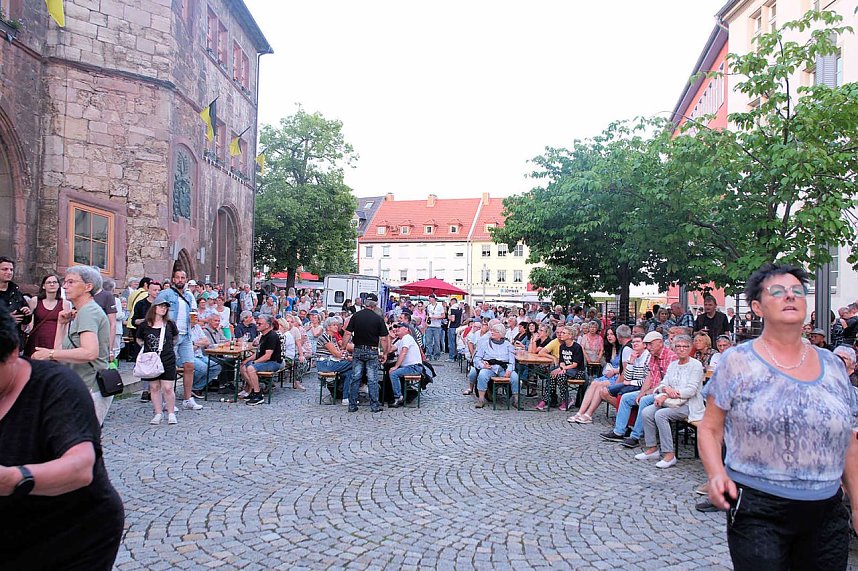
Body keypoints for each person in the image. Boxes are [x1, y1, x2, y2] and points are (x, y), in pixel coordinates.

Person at [699, 263, 858, 571]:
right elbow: (710, 428)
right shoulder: (737, 361)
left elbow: (848, 440)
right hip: (759, 508)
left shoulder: (834, 366)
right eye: (778, 291)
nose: (790, 296)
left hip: (826, 511)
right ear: (757, 307)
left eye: (797, 291)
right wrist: (716, 474)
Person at [0, 307, 124, 570]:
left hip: (74, 536)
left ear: (12, 353)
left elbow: (80, 467)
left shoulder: (57, 386)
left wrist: (14, 479)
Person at [30, 266, 112, 424]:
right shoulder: (81, 312)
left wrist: (49, 354)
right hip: (79, 386)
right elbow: (61, 354)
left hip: (90, 388)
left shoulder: (89, 312)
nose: (65, 286)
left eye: (71, 282)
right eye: (65, 282)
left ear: (88, 287)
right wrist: (61, 325)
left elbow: (89, 353)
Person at [635, 334, 705, 468]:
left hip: (690, 404)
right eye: (678, 346)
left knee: (661, 415)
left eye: (685, 346)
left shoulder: (696, 365)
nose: (681, 349)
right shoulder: (673, 365)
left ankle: (669, 454)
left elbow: (690, 391)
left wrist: (668, 394)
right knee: (647, 412)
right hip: (672, 402)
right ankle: (652, 449)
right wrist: (665, 390)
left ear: (690, 348)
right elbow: (663, 383)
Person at [160, 270, 203, 412]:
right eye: (177, 277)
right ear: (173, 279)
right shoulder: (166, 294)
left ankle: (187, 398)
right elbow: (156, 309)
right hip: (171, 336)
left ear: (186, 280)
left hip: (186, 335)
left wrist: (194, 320)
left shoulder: (189, 295)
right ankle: (167, 400)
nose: (180, 280)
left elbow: (194, 313)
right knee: (169, 367)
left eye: (182, 278)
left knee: (189, 366)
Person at [136, 293, 180, 425]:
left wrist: (168, 347)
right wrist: (148, 350)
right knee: (154, 387)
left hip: (167, 358)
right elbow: (139, 339)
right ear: (154, 308)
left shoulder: (170, 324)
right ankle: (158, 413)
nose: (163, 309)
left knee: (167, 387)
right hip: (151, 359)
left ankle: (171, 412)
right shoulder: (145, 325)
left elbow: (175, 338)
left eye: (165, 307)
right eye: (161, 306)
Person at [342, 293, 390, 413]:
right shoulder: (378, 318)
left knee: (355, 377)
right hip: (372, 350)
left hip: (358, 349)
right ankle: (374, 405)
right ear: (375, 305)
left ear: (365, 303)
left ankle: (352, 404)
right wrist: (385, 353)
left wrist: (343, 346)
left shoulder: (356, 316)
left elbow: (347, 333)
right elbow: (384, 338)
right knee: (372, 378)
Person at [537, 325, 584, 411]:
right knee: (552, 375)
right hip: (566, 368)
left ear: (570, 335)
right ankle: (545, 399)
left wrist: (563, 369)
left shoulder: (577, 347)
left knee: (560, 376)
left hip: (577, 371)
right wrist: (561, 368)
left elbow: (575, 364)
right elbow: (561, 361)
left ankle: (566, 399)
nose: (561, 334)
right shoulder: (562, 347)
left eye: (563, 333)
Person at [473, 323, 520, 409]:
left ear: (500, 334)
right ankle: (481, 399)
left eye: (495, 331)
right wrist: (483, 365)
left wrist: (509, 370)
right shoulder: (485, 343)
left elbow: (512, 361)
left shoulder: (508, 345)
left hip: (503, 368)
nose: (492, 333)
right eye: (492, 331)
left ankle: (516, 400)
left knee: (515, 377)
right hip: (490, 368)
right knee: (482, 375)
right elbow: (477, 358)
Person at [23, 274, 71, 357]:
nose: (52, 284)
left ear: (59, 285)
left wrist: (63, 343)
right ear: (44, 286)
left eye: (54, 282)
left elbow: (66, 326)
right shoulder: (35, 301)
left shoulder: (65, 304)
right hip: (36, 339)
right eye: (49, 282)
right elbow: (28, 319)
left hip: (54, 340)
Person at [239, 315, 282, 406]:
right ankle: (253, 389)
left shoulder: (272, 336)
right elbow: (258, 353)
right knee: (243, 366)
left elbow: (267, 356)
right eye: (257, 323)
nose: (257, 325)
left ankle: (258, 395)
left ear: (267, 325)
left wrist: (254, 363)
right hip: (266, 361)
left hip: (274, 362)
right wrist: (247, 360)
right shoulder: (263, 336)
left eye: (259, 324)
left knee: (251, 368)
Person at [316, 316, 353, 402]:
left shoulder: (332, 338)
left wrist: (347, 356)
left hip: (331, 362)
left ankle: (345, 397)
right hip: (325, 364)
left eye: (337, 325)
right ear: (328, 327)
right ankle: (359, 388)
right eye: (334, 325)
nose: (337, 327)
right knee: (355, 363)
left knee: (349, 372)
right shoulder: (325, 337)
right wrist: (349, 358)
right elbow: (336, 353)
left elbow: (340, 352)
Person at [191, 312, 227, 397]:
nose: (195, 319)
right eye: (215, 320)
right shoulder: (184, 329)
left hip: (199, 355)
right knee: (203, 367)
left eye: (196, 317)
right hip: (191, 356)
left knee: (217, 367)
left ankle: (196, 387)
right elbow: (188, 347)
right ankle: (189, 386)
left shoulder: (197, 328)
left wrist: (194, 344)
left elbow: (206, 341)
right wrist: (198, 343)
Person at [388, 322, 423, 408]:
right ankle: (397, 395)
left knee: (393, 373)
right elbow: (389, 350)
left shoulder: (407, 338)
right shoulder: (401, 340)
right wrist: (389, 337)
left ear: (406, 329)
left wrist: (396, 366)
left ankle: (398, 397)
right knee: (393, 371)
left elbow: (403, 352)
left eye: (400, 327)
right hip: (409, 367)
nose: (397, 329)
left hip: (414, 367)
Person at [0, 256, 31, 345]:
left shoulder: (16, 293)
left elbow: (26, 321)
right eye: (5, 269)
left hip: (13, 342)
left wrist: (26, 313)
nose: (9, 272)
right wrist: (6, 320)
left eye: (11, 270)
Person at [92, 277, 118, 362]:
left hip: (101, 338)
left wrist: (110, 349)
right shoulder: (84, 294)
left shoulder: (107, 296)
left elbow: (112, 323)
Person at [424, 294, 445, 361]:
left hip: (437, 326)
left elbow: (443, 316)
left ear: (434, 299)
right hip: (430, 326)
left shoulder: (439, 306)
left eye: (430, 299)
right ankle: (428, 355)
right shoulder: (429, 306)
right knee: (428, 342)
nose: (429, 300)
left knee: (437, 342)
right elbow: (428, 315)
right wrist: (426, 322)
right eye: (429, 299)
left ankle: (436, 355)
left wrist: (435, 317)